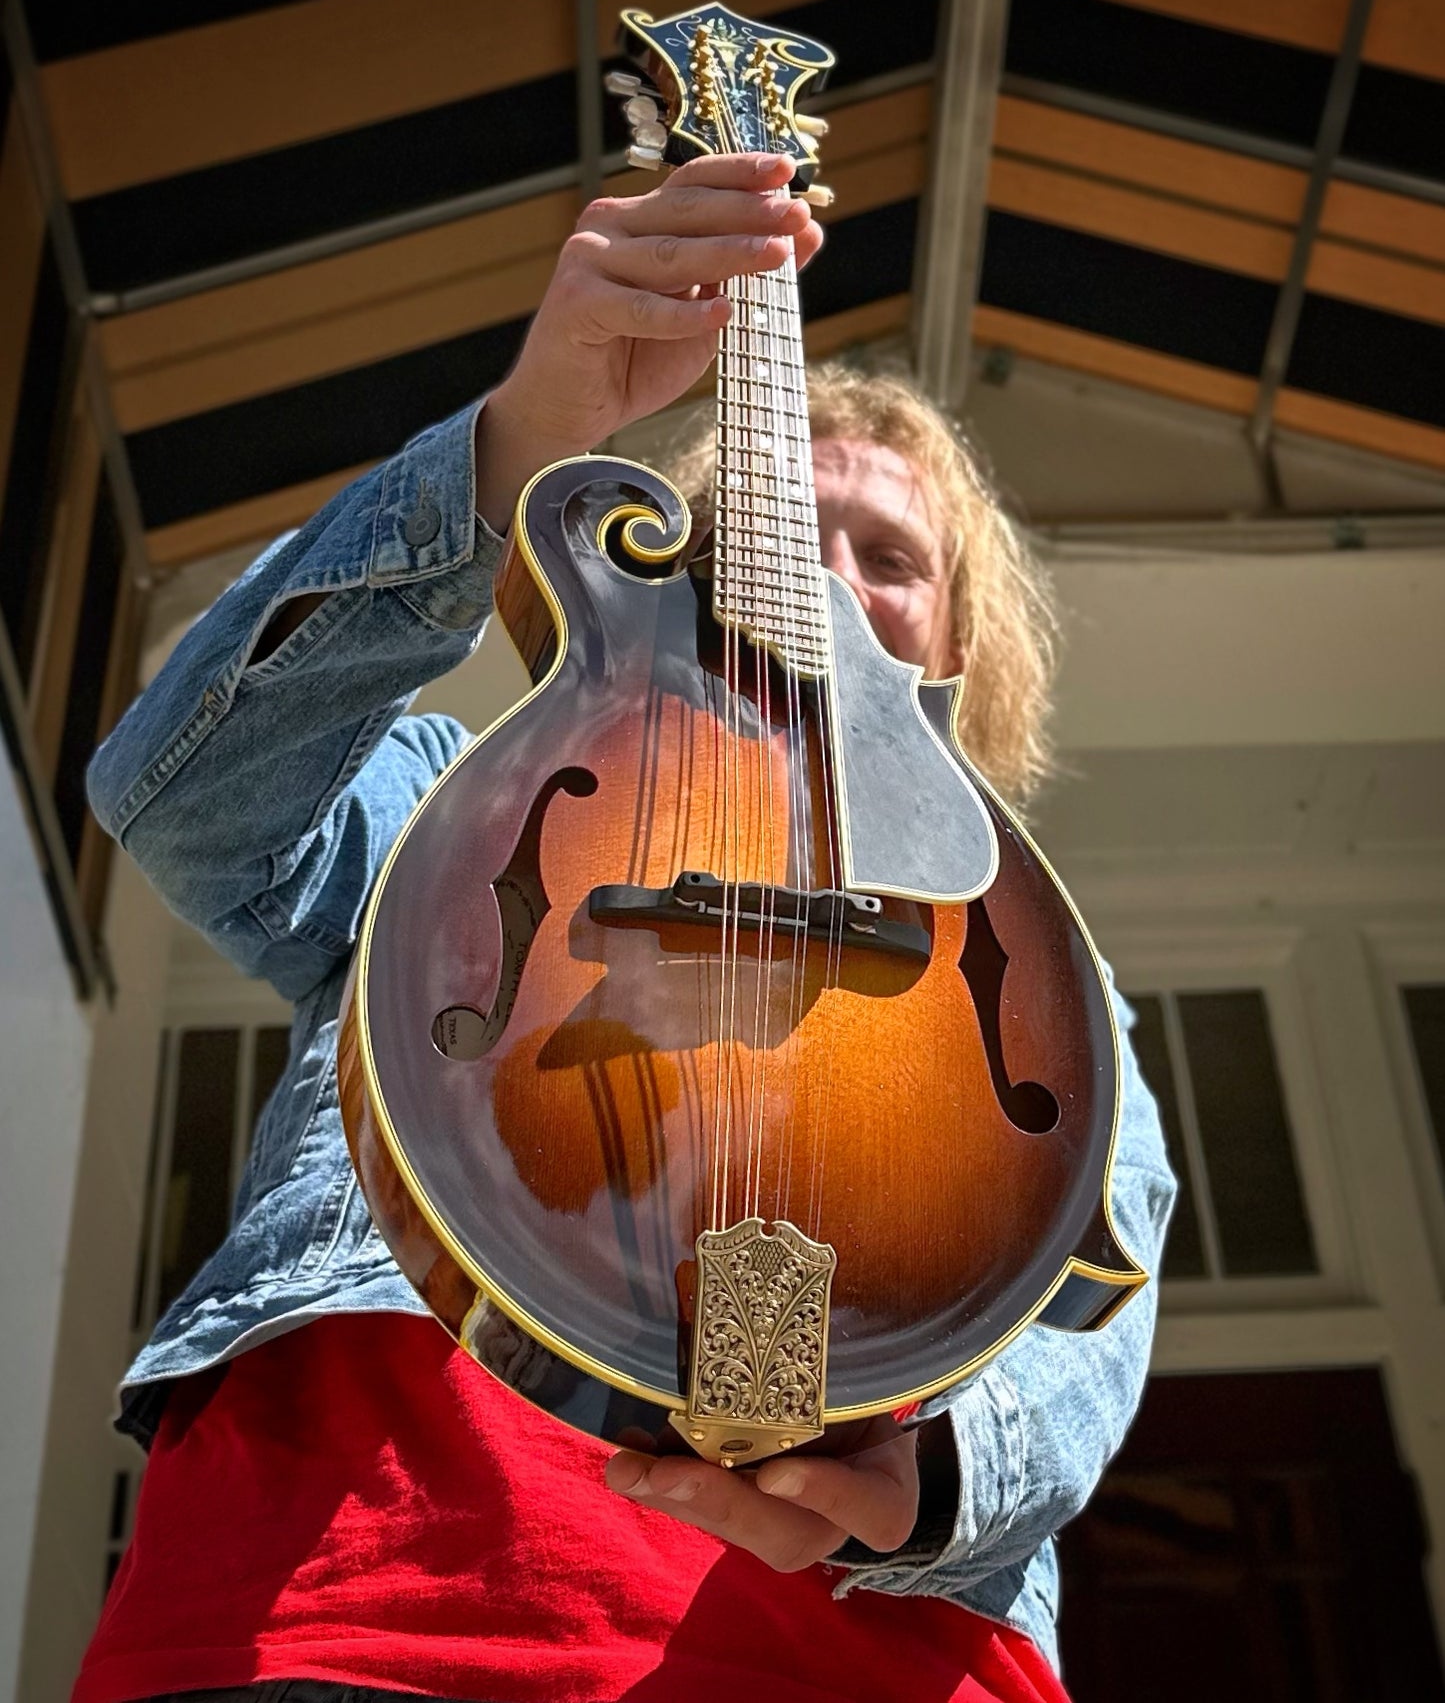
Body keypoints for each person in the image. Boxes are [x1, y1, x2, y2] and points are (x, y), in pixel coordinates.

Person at [76, 152, 1176, 1703]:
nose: (835, 582)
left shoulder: (1047, 966)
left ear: (959, 645)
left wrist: (923, 1488)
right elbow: (178, 796)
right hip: (352, 1600)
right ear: (682, 558)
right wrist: (519, 435)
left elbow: (1093, 1301)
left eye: (894, 558)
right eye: (795, 529)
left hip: (865, 1658)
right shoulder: (458, 809)